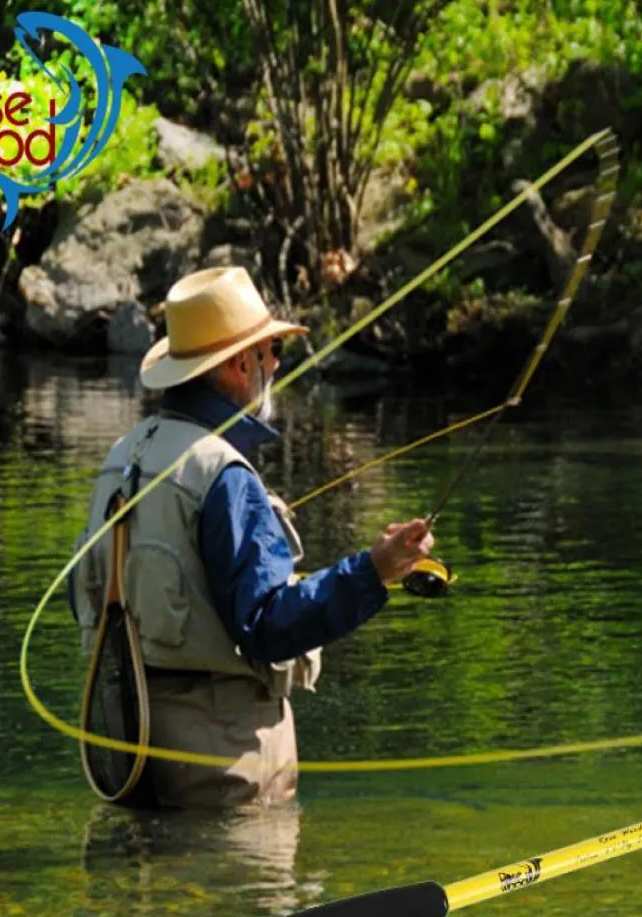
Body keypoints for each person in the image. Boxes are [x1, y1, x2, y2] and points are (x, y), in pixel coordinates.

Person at [71, 266, 434, 808]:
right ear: (243, 364)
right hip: (223, 760)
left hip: (129, 750)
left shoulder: (125, 453)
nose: (277, 365)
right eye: (271, 353)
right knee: (245, 893)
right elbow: (269, 625)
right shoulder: (223, 474)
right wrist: (372, 572)